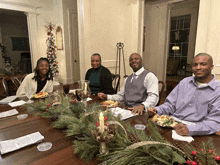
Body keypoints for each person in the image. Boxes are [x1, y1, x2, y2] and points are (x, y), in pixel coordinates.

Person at [148, 53, 220, 136]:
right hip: (171, 124)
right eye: (195, 65)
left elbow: (214, 122)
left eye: (203, 64)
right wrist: (157, 110)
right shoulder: (184, 82)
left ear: (211, 67)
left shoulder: (218, 90)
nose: (198, 67)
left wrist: (190, 129)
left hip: (195, 132)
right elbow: (170, 105)